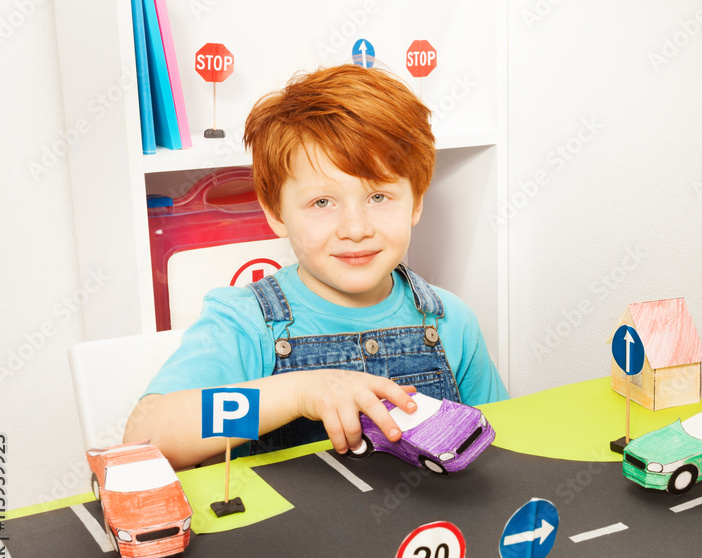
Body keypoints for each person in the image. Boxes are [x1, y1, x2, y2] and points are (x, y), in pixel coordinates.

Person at [124, 65, 508, 469]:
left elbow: (501, 449)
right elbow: (145, 437)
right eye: (322, 202)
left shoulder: (450, 322)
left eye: (379, 197)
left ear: (415, 203)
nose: (355, 229)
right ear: (276, 213)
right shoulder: (248, 325)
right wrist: (298, 393)